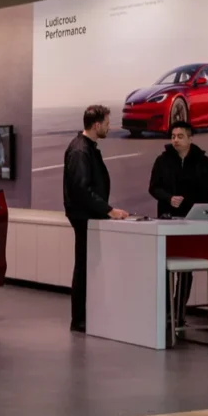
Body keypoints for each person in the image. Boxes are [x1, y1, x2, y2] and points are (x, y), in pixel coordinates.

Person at [148, 121, 208, 326]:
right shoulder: (162, 161)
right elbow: (153, 188)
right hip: (167, 221)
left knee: (184, 269)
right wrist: (168, 198)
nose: (175, 140)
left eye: (180, 136)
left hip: (192, 222)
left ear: (190, 138)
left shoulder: (203, 161)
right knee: (164, 267)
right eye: (173, 136)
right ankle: (165, 311)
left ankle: (178, 311)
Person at [63, 105, 128, 332]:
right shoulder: (80, 151)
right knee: (83, 266)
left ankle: (85, 317)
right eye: (108, 124)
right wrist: (108, 210)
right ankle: (79, 319)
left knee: (87, 265)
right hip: (83, 216)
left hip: (88, 215)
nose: (110, 128)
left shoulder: (87, 148)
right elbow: (81, 189)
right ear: (97, 124)